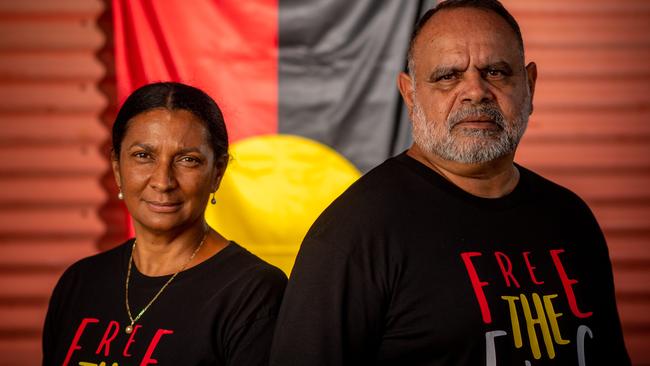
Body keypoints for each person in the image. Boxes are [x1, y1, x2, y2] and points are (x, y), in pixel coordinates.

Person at [269, 1, 631, 365]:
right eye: (448, 76)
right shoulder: (355, 234)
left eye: (495, 71)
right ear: (410, 95)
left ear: (530, 86)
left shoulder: (571, 218)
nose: (476, 91)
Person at [42, 82, 287, 365]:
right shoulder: (80, 283)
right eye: (143, 156)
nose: (163, 181)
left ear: (217, 172)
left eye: (187, 160)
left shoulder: (253, 292)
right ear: (117, 167)